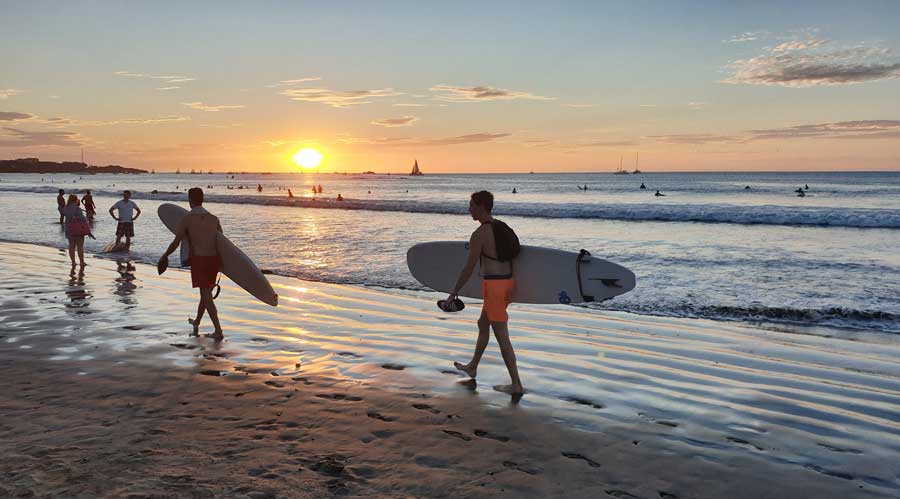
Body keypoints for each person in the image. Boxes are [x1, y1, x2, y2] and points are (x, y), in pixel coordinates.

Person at [447, 191, 524, 395]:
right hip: (507, 283)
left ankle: (516, 384)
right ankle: (473, 366)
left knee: (502, 337)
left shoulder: (480, 234)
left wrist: (453, 292)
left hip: (494, 287)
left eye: (472, 205)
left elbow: (468, 268)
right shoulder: (500, 227)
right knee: (483, 324)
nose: (469, 209)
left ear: (481, 206)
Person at [158, 188, 224, 338]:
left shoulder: (187, 219)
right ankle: (197, 322)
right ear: (203, 199)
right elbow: (222, 243)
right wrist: (223, 263)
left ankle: (218, 331)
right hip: (213, 260)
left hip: (199, 260)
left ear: (190, 200)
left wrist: (165, 255)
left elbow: (176, 241)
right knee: (205, 294)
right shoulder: (214, 219)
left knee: (206, 295)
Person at [63, 194, 95, 266]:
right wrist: (88, 231)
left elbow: (66, 216)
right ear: (75, 200)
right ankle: (82, 262)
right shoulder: (77, 208)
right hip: (79, 230)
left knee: (71, 246)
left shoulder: (66, 208)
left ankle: (73, 262)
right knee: (80, 247)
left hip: (69, 229)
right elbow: (83, 220)